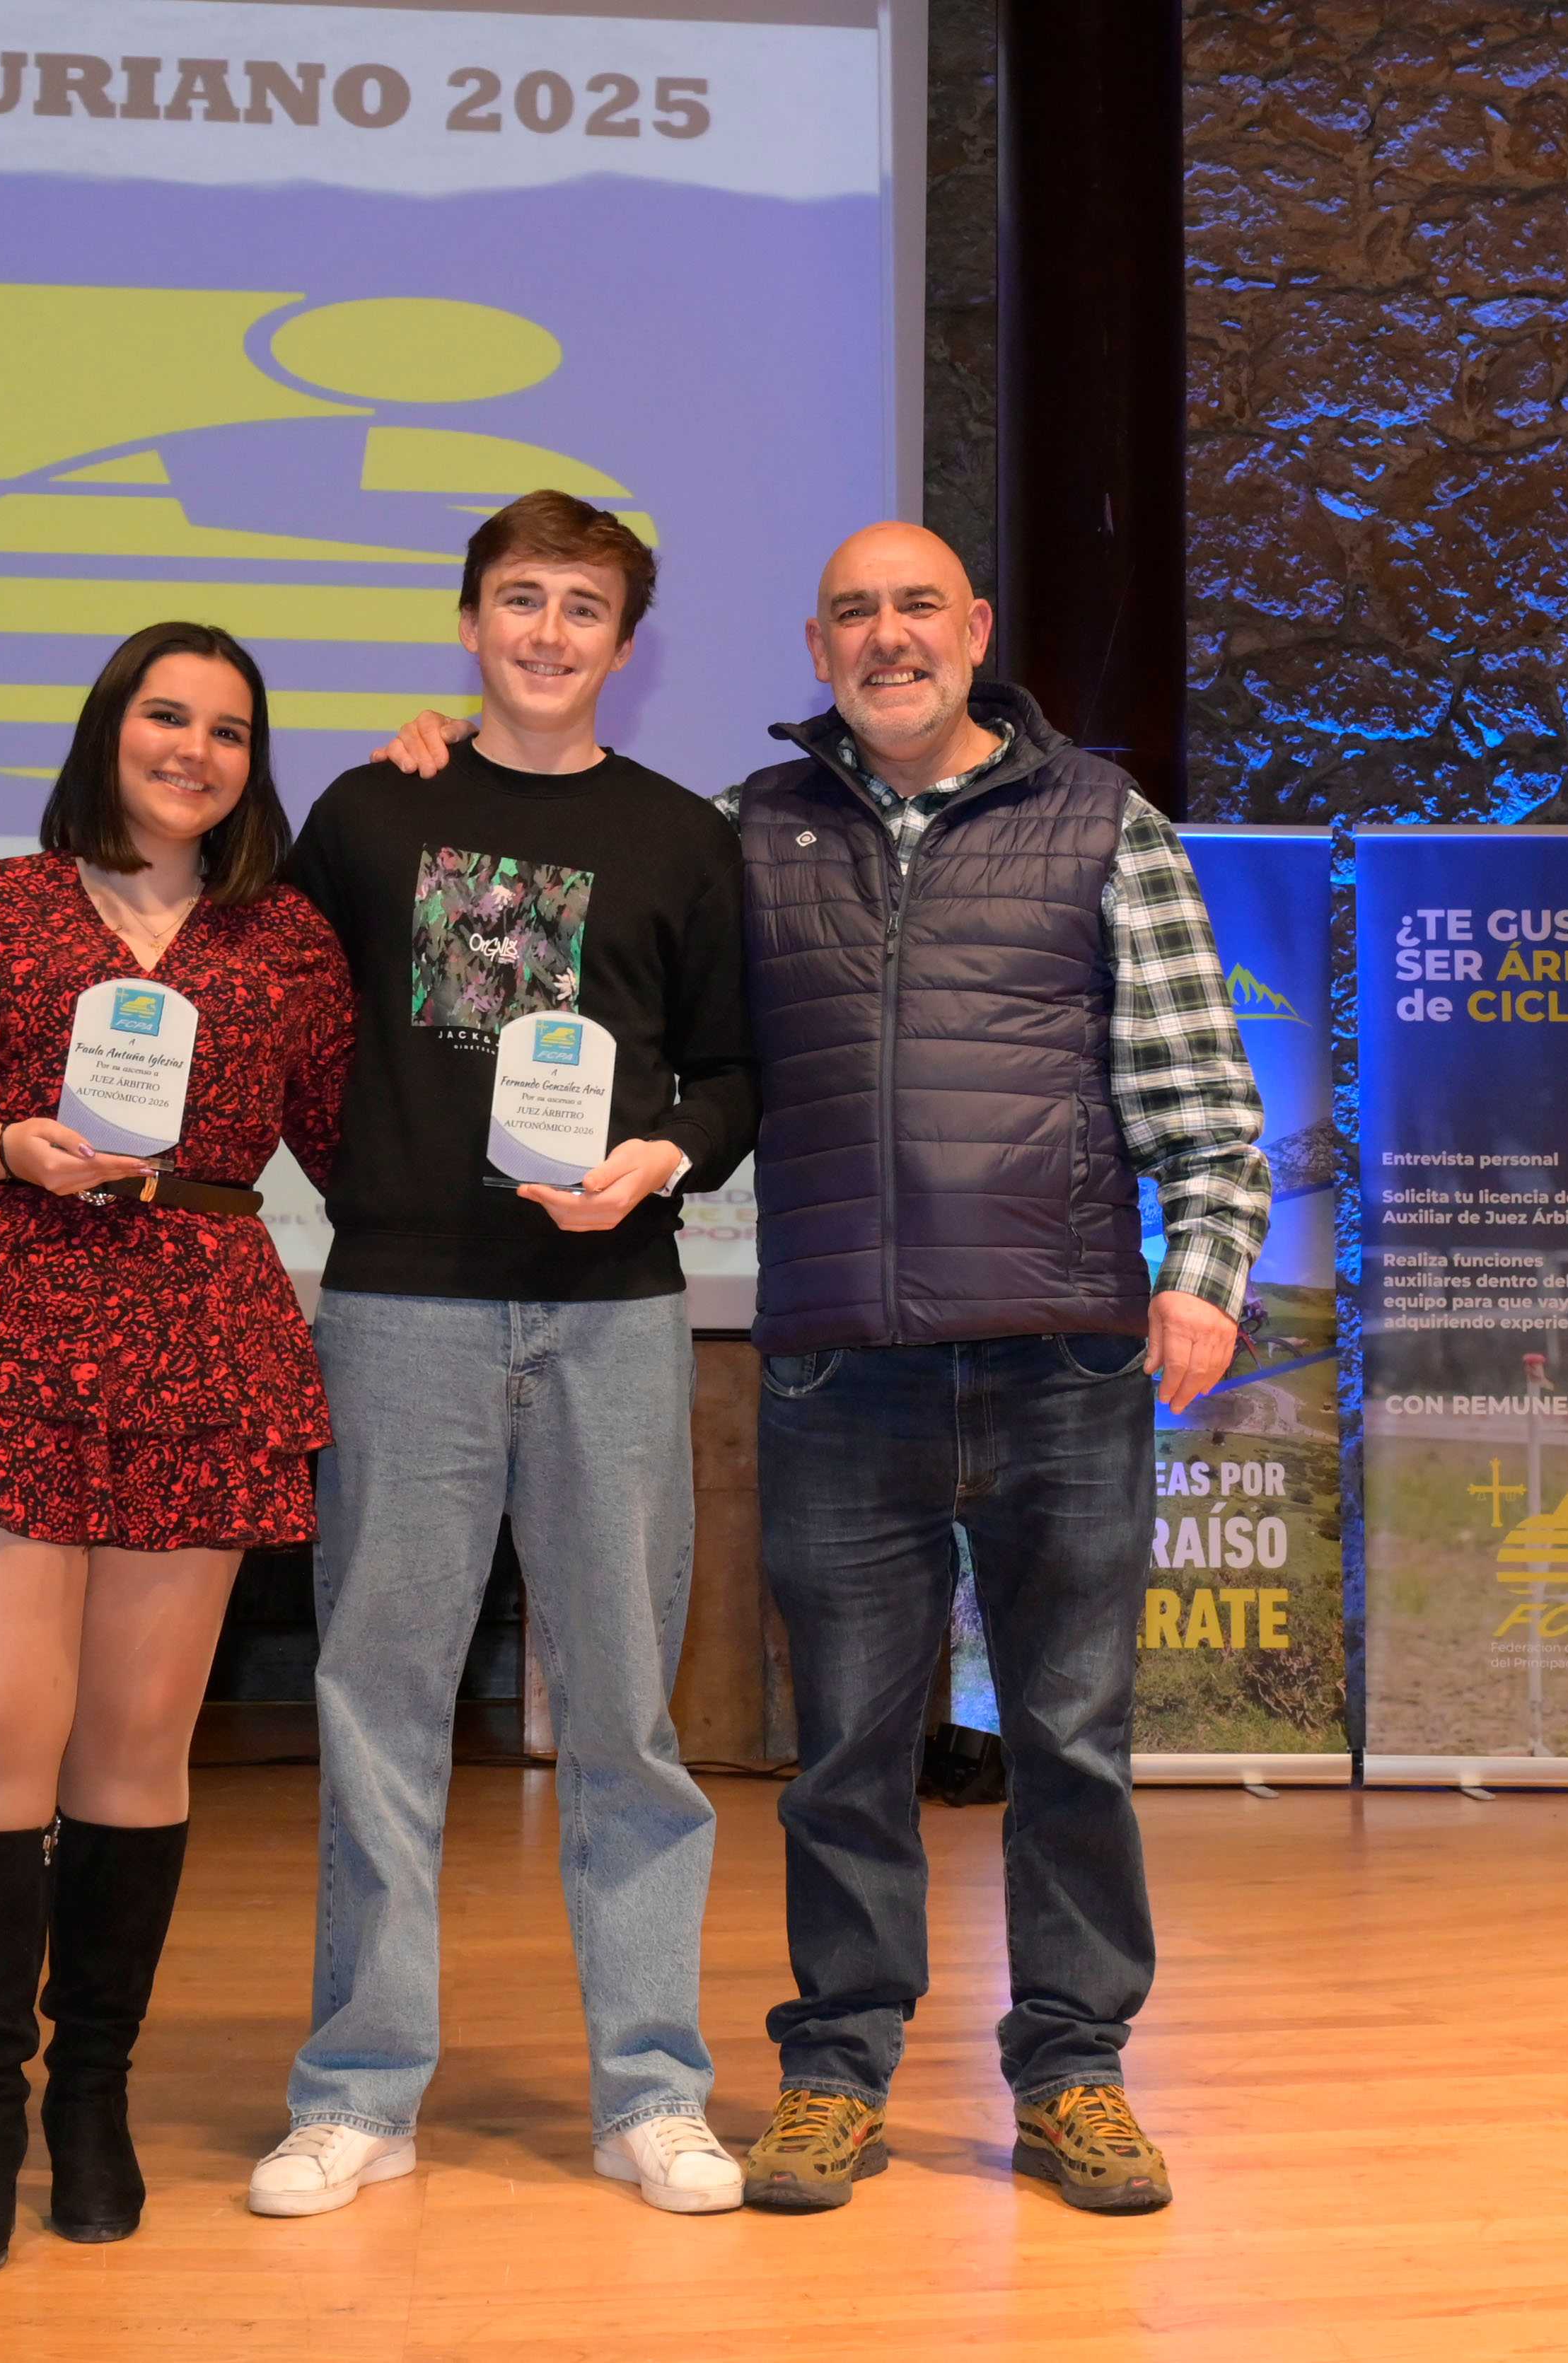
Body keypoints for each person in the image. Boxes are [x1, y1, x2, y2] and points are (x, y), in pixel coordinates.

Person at [370, 520, 1266, 2217]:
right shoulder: (740, 837)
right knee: (844, 1750)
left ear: (973, 626)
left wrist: (1203, 1282)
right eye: (853, 612)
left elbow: (1207, 1108)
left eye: (916, 605)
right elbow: (578, 992)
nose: (887, 636)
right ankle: (838, 2073)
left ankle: (1074, 2071)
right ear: (815, 644)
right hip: (838, 1371)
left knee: (1069, 1738)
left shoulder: (1103, 823)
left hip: (1063, 1358)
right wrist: (442, 778)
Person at [0, 620, 354, 2282]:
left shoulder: (289, 945)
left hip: (199, 1339)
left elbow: (354, 1141)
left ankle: (92, 2102)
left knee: (133, 1748)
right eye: (164, 715)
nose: (193, 747)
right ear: (108, 729)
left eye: (229, 729)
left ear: (254, 763)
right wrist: (5, 1146)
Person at [245, 491, 761, 2221]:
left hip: (613, 1307)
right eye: (520, 600)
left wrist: (660, 1158)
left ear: (627, 641)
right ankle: (359, 2091)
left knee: (626, 1713)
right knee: (377, 1698)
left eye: (586, 607)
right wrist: (376, 1189)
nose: (550, 632)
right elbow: (283, 1026)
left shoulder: (685, 836)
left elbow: (732, 1074)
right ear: (468, 622)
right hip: (400, 1308)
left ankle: (652, 2091)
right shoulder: (372, 811)